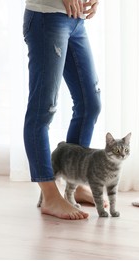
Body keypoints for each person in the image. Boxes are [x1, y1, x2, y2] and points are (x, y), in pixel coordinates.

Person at [23, 0, 101, 220]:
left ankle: (73, 184)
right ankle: (49, 194)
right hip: (47, 17)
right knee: (42, 110)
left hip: (77, 21)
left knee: (90, 105)